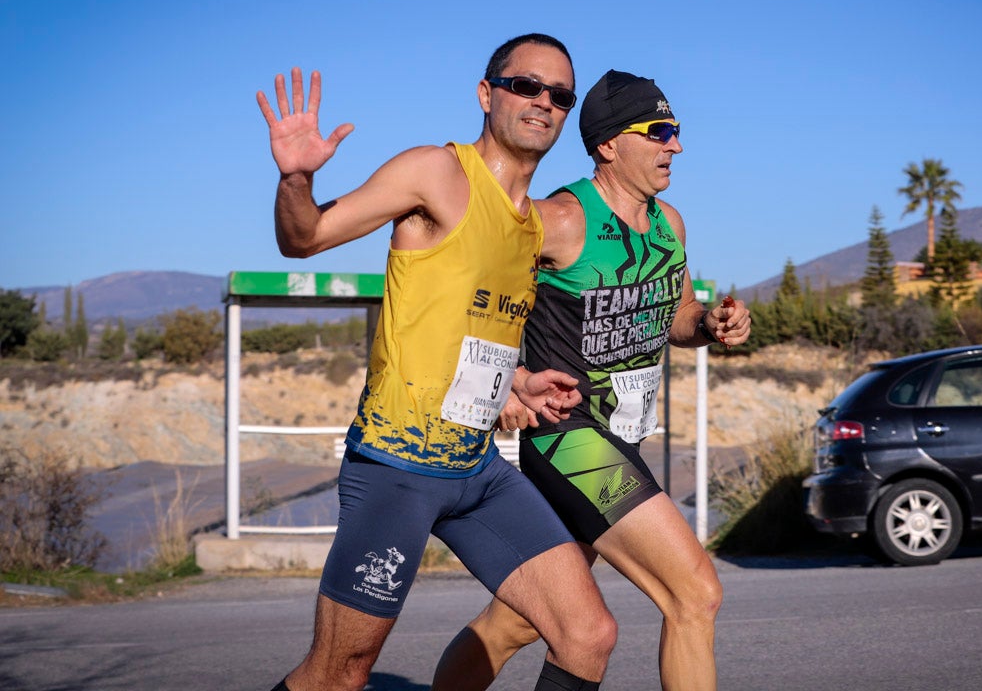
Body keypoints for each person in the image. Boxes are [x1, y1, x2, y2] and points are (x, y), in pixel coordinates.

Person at [256, 34, 617, 691]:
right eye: (525, 86)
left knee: (587, 634)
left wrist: (521, 382)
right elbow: (302, 238)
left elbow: (475, 331)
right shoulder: (437, 174)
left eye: (560, 95)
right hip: (399, 467)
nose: (544, 102)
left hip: (477, 469)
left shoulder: (531, 226)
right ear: (487, 94)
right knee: (339, 673)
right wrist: (297, 177)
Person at [432, 70, 751, 691]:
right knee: (695, 592)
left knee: (519, 622)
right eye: (659, 132)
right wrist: (507, 382)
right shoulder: (560, 219)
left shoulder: (671, 225)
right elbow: (467, 299)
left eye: (676, 132)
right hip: (568, 437)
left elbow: (676, 320)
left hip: (622, 439)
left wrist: (711, 323)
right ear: (609, 144)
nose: (675, 146)